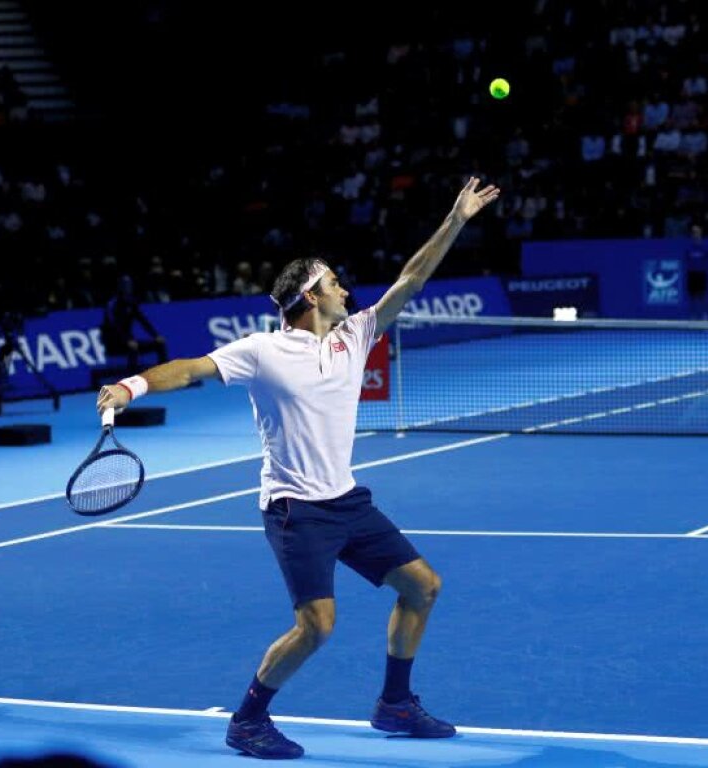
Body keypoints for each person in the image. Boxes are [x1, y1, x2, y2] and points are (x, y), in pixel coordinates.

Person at [96, 178, 500, 760]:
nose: (345, 289)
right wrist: (130, 386)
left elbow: (411, 279)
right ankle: (247, 721)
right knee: (317, 626)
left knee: (423, 586)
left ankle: (395, 704)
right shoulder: (262, 351)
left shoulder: (355, 335)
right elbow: (189, 369)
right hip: (296, 510)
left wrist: (456, 219)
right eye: (334, 282)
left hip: (347, 501)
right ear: (310, 296)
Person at [101, 275, 168, 370]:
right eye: (125, 285)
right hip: (114, 343)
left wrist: (156, 335)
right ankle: (132, 375)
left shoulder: (131, 303)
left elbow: (143, 321)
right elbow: (114, 326)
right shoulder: (112, 304)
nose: (128, 287)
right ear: (120, 287)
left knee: (160, 344)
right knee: (133, 348)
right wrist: (127, 339)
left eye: (129, 285)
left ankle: (164, 372)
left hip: (130, 341)